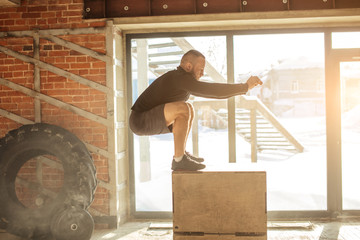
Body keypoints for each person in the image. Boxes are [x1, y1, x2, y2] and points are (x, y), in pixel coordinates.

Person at [129, 50, 262, 171]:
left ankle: (181, 154)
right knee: (184, 108)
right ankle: (179, 160)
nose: (202, 73)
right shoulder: (179, 78)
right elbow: (212, 91)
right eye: (201, 69)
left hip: (147, 117)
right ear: (188, 66)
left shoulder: (181, 78)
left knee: (189, 108)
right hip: (140, 120)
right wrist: (244, 87)